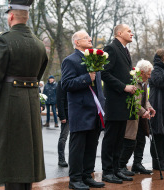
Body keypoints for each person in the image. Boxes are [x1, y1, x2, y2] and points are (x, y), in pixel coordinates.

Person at [0, 0, 48, 189]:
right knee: (27, 157)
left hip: (9, 104)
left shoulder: (4, 40)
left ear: (11, 16)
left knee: (11, 158)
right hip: (31, 104)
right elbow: (38, 76)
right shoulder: (39, 45)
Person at [61, 30, 105, 189]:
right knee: (78, 147)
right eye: (86, 38)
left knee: (91, 146)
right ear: (77, 42)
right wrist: (87, 77)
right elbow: (66, 84)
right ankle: (75, 179)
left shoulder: (94, 59)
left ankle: (87, 176)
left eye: (89, 37)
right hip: (80, 110)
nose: (90, 39)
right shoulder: (70, 60)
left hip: (95, 111)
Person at [101, 24, 136, 184]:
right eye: (129, 31)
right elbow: (104, 73)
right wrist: (123, 87)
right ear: (119, 33)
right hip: (114, 102)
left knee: (119, 139)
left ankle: (116, 169)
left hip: (124, 102)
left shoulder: (125, 50)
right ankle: (107, 172)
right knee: (111, 138)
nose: (132, 33)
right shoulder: (111, 48)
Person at [119, 60, 156, 176]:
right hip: (132, 117)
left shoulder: (144, 83)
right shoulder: (133, 81)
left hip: (141, 117)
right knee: (130, 142)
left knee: (141, 140)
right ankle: (121, 165)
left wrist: (149, 108)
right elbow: (133, 101)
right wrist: (143, 111)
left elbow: (144, 99)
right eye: (148, 73)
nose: (150, 76)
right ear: (141, 72)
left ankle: (137, 164)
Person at [56, 80, 69, 167]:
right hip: (66, 114)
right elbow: (60, 100)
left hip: (75, 113)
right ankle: (61, 159)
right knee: (63, 137)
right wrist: (62, 116)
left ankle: (73, 159)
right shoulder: (61, 82)